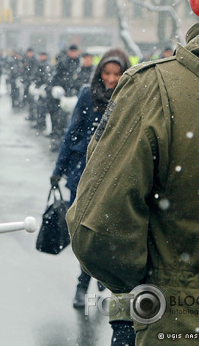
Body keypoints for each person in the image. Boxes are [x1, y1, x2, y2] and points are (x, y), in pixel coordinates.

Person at [66, 0, 199, 346]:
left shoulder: (155, 91)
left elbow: (98, 232)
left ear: (195, 1)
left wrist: (157, 287)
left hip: (185, 330)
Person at [49, 48, 130, 309]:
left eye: (117, 74)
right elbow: (72, 132)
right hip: (82, 173)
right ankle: (82, 283)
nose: (110, 79)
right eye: (106, 72)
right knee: (83, 234)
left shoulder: (129, 96)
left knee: (105, 232)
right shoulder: (87, 94)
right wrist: (58, 170)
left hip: (114, 175)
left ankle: (97, 274)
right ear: (99, 72)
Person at [47, 44, 81, 150]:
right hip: (63, 96)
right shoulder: (63, 63)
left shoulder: (80, 63)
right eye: (72, 51)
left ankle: (70, 142)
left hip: (75, 95)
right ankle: (58, 141)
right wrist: (57, 88)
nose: (74, 54)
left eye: (75, 51)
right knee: (59, 120)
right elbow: (55, 78)